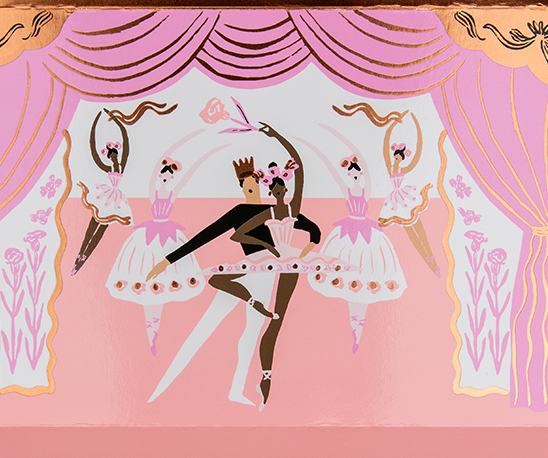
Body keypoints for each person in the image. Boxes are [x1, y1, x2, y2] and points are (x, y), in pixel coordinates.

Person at [145, 146, 319, 406]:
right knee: (208, 323)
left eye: (254, 186)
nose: (251, 191)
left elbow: (310, 227)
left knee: (251, 332)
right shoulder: (240, 212)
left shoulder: (274, 210)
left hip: (268, 274)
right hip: (251, 269)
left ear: (263, 185)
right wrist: (169, 259)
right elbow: (205, 236)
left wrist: (303, 250)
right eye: (246, 187)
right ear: (242, 189)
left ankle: (237, 389)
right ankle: (169, 381)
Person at [106, 131, 226, 354]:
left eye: (169, 176)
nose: (166, 178)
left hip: (168, 234)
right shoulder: (154, 191)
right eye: (164, 174)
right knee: (145, 276)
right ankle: (151, 330)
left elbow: (185, 178)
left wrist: (202, 157)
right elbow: (153, 176)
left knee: (164, 279)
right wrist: (174, 149)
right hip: (151, 235)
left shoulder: (171, 192)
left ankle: (154, 331)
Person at [230, 123, 321, 406]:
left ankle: (265, 378)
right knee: (267, 318)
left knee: (277, 320)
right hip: (272, 263)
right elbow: (237, 235)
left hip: (290, 263)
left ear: (286, 187)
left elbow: (301, 170)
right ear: (271, 189)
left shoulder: (294, 209)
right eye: (276, 187)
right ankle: (261, 377)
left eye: (283, 187)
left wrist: (277, 136)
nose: (280, 190)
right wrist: (269, 247)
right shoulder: (268, 212)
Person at [302, 125, 406, 353]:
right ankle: (355, 329)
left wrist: (347, 142)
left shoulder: (366, 188)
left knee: (366, 274)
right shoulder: (348, 189)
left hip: (365, 234)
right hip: (348, 232)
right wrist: (320, 152)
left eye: (356, 173)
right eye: (351, 174)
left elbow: (367, 172)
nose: (354, 176)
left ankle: (358, 328)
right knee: (349, 277)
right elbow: (334, 173)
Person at [377, 112, 438, 275]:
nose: (396, 159)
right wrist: (391, 125)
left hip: (405, 197)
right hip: (395, 200)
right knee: (410, 231)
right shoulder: (390, 167)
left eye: (399, 157)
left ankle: (430, 255)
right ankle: (426, 257)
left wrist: (417, 126)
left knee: (418, 226)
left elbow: (417, 154)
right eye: (395, 156)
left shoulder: (404, 168)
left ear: (402, 158)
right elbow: (385, 145)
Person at [72, 110, 132, 274]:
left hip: (114, 199)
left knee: (101, 229)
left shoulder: (122, 165)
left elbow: (125, 142)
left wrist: (119, 122)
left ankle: (85, 255)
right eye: (112, 154)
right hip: (105, 196)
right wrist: (94, 126)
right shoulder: (107, 167)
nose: (114, 156)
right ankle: (80, 254)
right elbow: (94, 151)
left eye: (115, 153)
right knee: (93, 226)